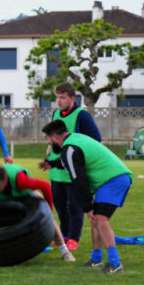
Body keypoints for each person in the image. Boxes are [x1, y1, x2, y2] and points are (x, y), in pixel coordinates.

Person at [39, 120, 133, 273]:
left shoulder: (69, 148)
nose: (49, 143)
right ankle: (96, 259)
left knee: (100, 219)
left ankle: (115, 264)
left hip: (113, 179)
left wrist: (87, 207)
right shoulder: (75, 139)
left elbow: (78, 180)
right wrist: (53, 164)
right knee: (97, 219)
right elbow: (71, 160)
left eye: (48, 139)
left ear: (55, 137)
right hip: (113, 178)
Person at [44, 82, 101, 252]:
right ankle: (64, 235)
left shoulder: (81, 115)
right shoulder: (55, 113)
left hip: (73, 170)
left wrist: (78, 154)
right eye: (57, 97)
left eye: (62, 97)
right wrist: (49, 146)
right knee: (60, 206)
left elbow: (95, 139)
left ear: (71, 98)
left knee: (75, 206)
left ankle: (73, 239)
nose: (59, 101)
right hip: (56, 171)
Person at [0, 164, 75, 262]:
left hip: (26, 193)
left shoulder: (21, 180)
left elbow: (45, 186)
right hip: (7, 199)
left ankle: (65, 252)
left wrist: (48, 211)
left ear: (4, 181)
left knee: (50, 220)